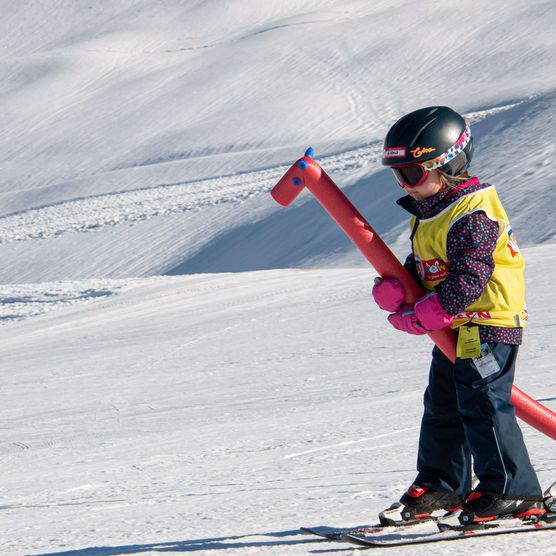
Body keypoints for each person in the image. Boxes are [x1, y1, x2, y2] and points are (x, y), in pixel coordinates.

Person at [373, 106, 545, 525]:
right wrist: (400, 286)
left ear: (446, 164)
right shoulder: (431, 213)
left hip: (488, 323)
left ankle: (512, 489)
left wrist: (429, 311)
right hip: (455, 326)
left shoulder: (473, 212)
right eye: (397, 175)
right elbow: (430, 264)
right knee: (444, 403)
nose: (404, 185)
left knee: (483, 404)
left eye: (411, 174)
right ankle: (441, 485)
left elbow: (470, 276)